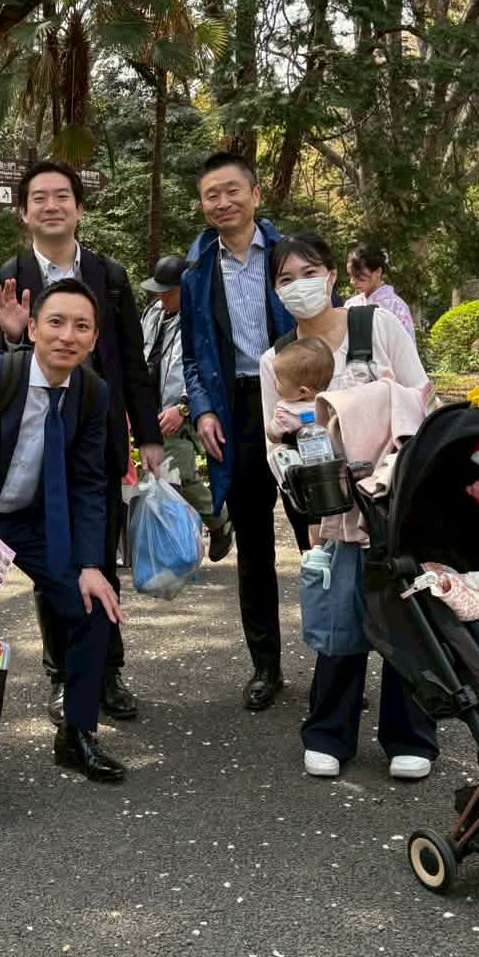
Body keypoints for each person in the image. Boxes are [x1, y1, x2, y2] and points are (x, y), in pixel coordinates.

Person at [0, 161, 163, 724]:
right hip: (31, 450)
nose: (51, 205)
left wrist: (148, 437)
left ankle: (108, 671)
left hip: (96, 447)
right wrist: (13, 336)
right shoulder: (6, 279)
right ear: (23, 212)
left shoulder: (110, 276)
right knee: (51, 566)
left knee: (97, 557)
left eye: (62, 196)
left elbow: (131, 362)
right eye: (39, 198)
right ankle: (62, 676)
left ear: (79, 208)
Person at [0, 279, 126, 782]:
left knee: (94, 605)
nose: (67, 336)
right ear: (32, 329)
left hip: (33, 521)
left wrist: (91, 564)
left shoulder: (91, 392)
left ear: (94, 339)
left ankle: (77, 733)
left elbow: (89, 482)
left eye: (81, 326)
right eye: (56, 322)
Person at [259, 233, 439, 781]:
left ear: (332, 274)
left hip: (396, 500)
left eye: (308, 273)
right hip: (332, 509)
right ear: (274, 289)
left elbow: (421, 396)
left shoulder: (376, 326)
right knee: (339, 617)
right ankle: (328, 733)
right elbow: (273, 441)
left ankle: (410, 735)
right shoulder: (276, 359)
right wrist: (300, 480)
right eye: (285, 279)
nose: (299, 286)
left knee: (406, 614)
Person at [180, 151, 300, 712]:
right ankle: (266, 666)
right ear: (203, 205)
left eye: (233, 191)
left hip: (299, 402)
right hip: (237, 410)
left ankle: (340, 664)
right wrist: (203, 410)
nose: (223, 202)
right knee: (254, 545)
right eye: (212, 195)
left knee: (323, 536)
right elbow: (193, 356)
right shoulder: (197, 272)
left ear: (255, 194)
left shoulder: (290, 257)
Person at [139, 253, 233, 561]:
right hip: (149, 409)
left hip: (182, 408)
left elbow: (207, 369)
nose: (162, 298)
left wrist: (184, 407)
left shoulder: (203, 318)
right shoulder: (153, 313)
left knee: (178, 473)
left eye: (169, 292)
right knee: (159, 476)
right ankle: (181, 541)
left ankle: (218, 522)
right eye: (159, 292)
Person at [265, 336, 335, 442]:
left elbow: (273, 435)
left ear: (302, 391)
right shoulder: (330, 406)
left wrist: (271, 428)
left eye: (279, 380)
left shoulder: (285, 415)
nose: (274, 381)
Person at [346, 243, 415, 341]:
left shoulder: (397, 307)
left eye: (359, 276)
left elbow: (407, 347)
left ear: (378, 271)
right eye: (350, 275)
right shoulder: (350, 305)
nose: (352, 281)